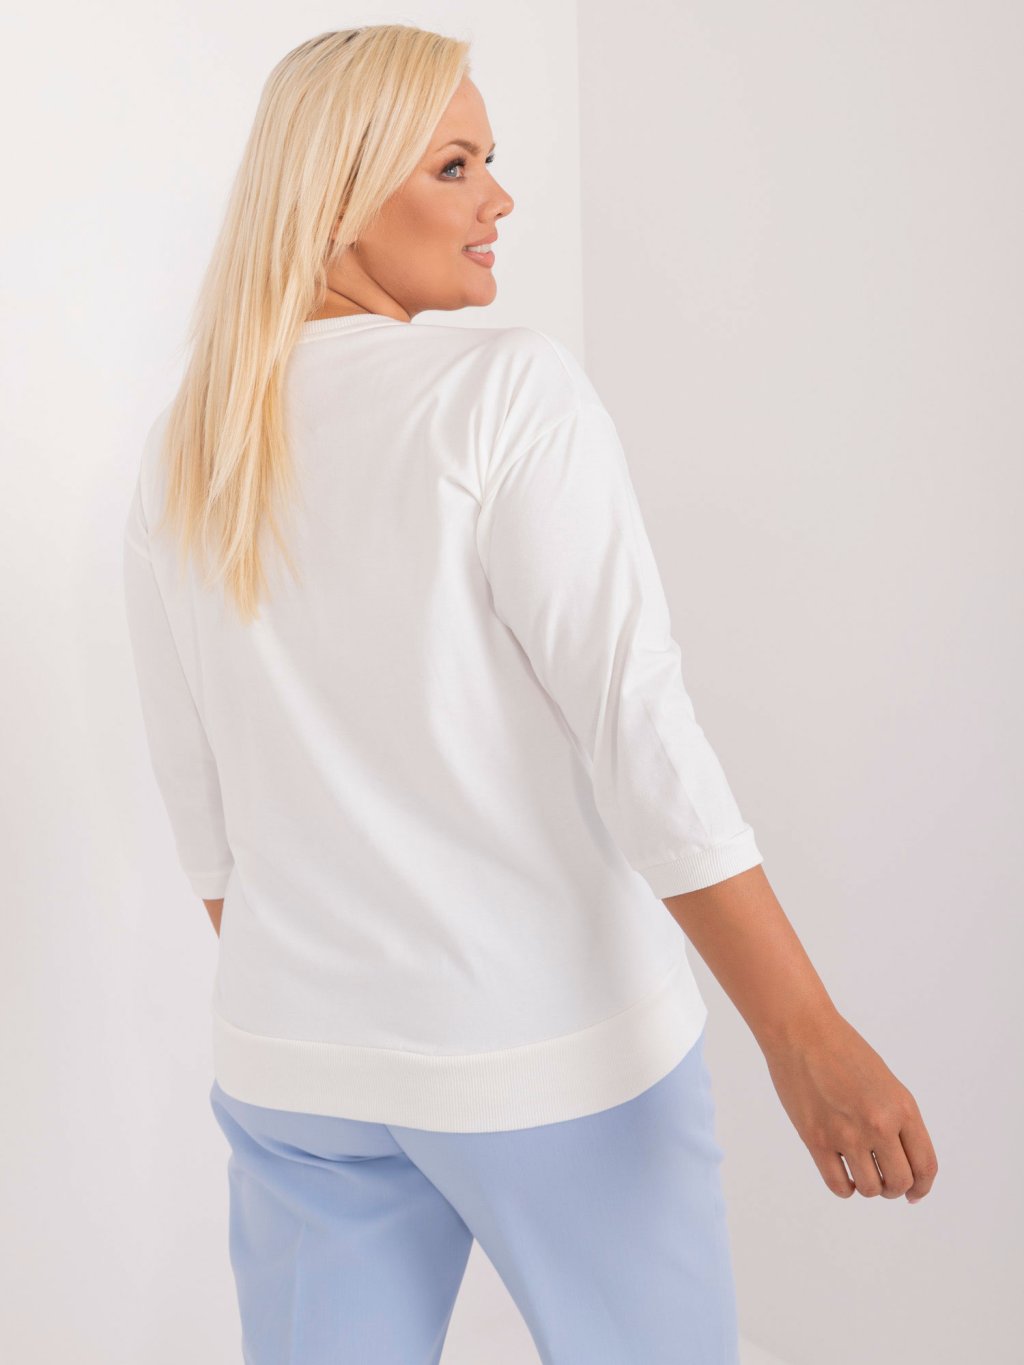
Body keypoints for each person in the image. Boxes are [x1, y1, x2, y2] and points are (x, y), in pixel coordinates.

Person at [121, 23, 938, 1365]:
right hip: (550, 1059)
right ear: (336, 196)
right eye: (454, 166)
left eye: (489, 160)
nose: (499, 197)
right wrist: (805, 1032)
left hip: (295, 1072)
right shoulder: (505, 394)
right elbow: (639, 731)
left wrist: (349, 1006)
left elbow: (204, 819)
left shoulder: (187, 445)